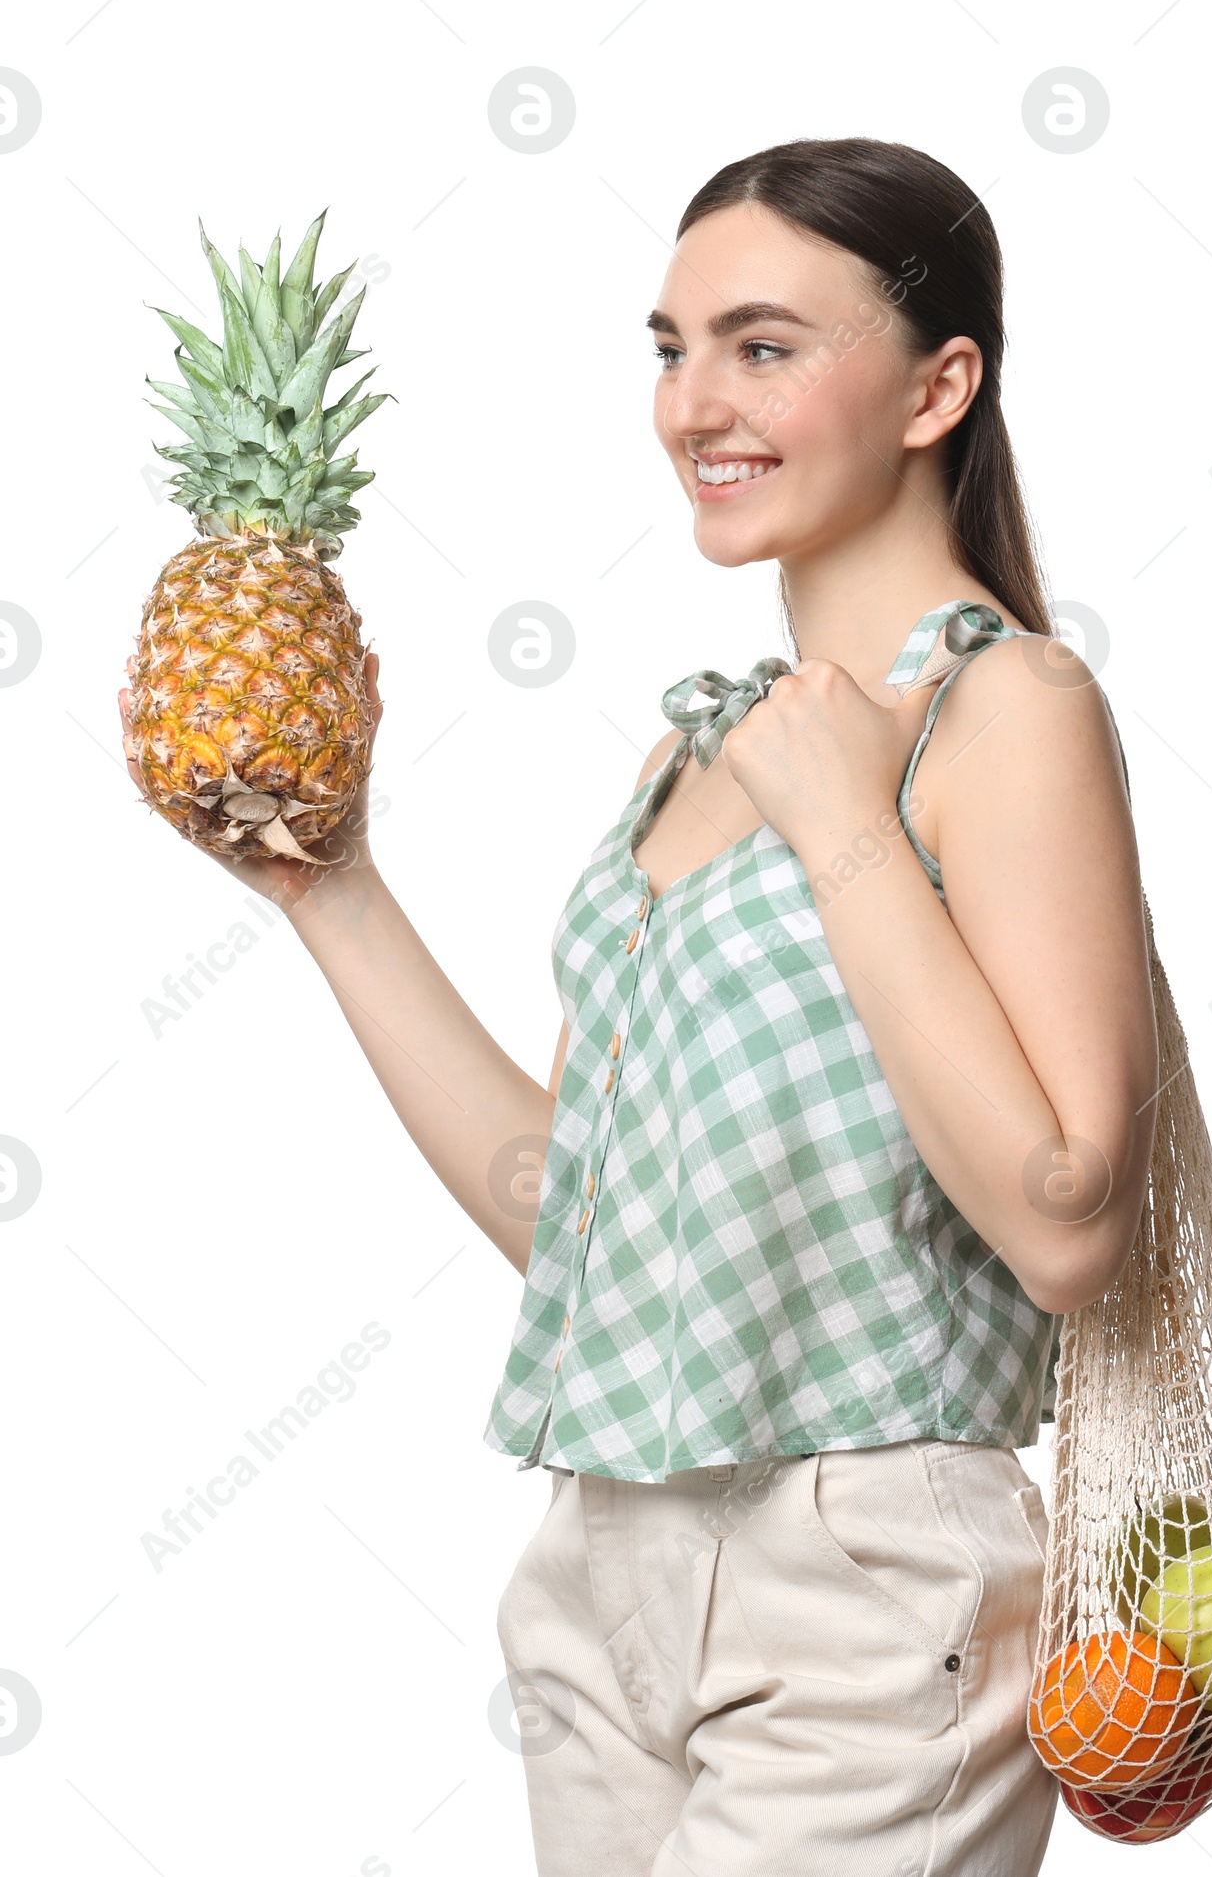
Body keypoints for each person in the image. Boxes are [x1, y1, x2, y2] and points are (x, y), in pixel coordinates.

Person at [121, 137, 1157, 1876]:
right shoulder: (696, 746)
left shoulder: (1013, 709)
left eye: (763, 345)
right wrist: (334, 893)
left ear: (938, 384)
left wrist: (843, 824)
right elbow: (587, 1223)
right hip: (603, 1560)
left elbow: (1070, 1219)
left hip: (867, 1569)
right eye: (670, 348)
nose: (695, 404)